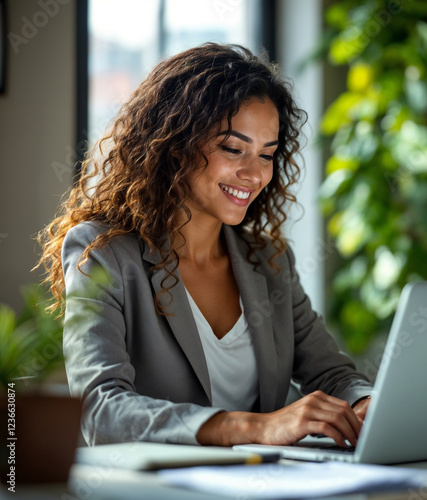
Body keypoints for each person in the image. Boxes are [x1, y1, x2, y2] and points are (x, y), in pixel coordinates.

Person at [38, 43, 372, 448]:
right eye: (233, 149)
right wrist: (254, 427)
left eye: (266, 155)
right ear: (174, 145)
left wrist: (367, 403)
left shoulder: (269, 261)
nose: (254, 174)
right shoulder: (102, 253)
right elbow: (100, 410)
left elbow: (332, 375)